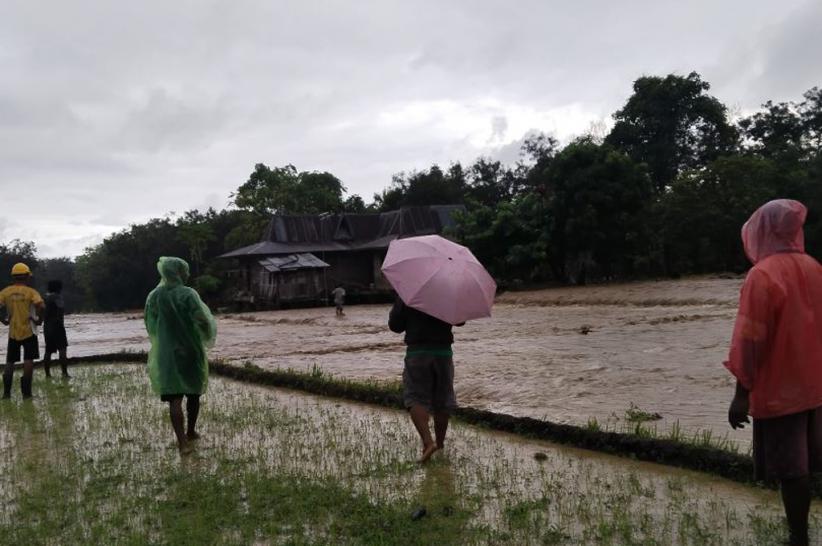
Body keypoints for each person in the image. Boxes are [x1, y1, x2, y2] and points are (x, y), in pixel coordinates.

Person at [725, 199, 822, 546]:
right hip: (816, 385)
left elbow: (750, 340)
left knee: (793, 471)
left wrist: (741, 394)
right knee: (810, 463)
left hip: (782, 391)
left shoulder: (762, 275)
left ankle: (799, 537)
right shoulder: (814, 267)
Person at [144, 257, 217, 454]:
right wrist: (206, 336)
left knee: (174, 397)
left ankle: (182, 442)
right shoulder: (188, 294)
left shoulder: (155, 296)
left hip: (167, 352)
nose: (187, 274)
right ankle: (191, 431)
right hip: (190, 349)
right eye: (185, 271)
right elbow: (203, 320)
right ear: (178, 272)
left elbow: (150, 322)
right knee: (193, 393)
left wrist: (161, 338)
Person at [388, 296, 461, 463]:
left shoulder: (408, 294)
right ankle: (440, 444)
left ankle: (428, 443)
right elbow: (460, 321)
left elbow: (395, 326)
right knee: (443, 399)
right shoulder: (447, 292)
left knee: (415, 397)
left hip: (418, 352)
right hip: (443, 352)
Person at [0, 263, 44, 399]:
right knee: (28, 360)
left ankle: (6, 393)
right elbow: (41, 306)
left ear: (13, 276)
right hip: (29, 331)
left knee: (10, 361)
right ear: (26, 276)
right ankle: (26, 393)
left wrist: (4, 321)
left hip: (13, 332)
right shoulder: (31, 292)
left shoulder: (5, 292)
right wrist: (38, 320)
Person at [43, 280, 69, 378]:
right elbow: (61, 308)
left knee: (48, 351)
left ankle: (47, 374)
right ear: (58, 288)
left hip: (47, 327)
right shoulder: (57, 297)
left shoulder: (45, 298)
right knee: (62, 349)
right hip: (57, 326)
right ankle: (64, 373)